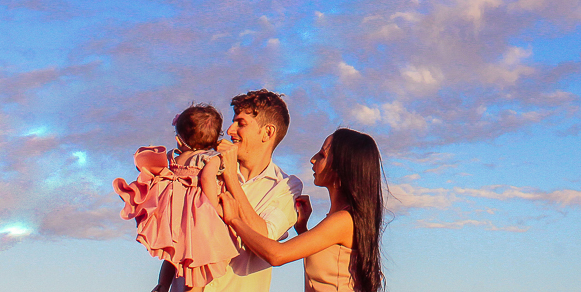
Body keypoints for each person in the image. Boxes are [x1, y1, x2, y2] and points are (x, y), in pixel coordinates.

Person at [220, 128, 385, 292]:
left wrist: (234, 219)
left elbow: (277, 255)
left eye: (322, 155)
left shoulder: (343, 220)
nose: (313, 159)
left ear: (341, 168)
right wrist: (302, 230)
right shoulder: (341, 219)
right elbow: (328, 267)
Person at [186, 90, 304, 292]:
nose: (230, 130)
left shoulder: (286, 187)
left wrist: (231, 177)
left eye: (240, 124)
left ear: (268, 132)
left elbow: (265, 239)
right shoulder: (208, 168)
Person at [114, 104, 238, 292]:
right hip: (197, 215)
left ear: (179, 139)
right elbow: (206, 179)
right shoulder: (211, 158)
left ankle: (163, 284)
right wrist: (214, 208)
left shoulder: (175, 158)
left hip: (175, 215)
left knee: (173, 254)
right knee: (198, 261)